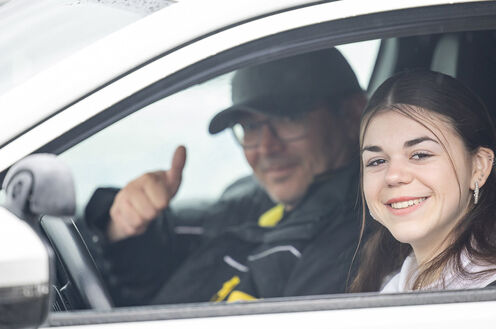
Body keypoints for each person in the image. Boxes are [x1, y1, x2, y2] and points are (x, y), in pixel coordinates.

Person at [85, 48, 367, 306]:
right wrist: (127, 228)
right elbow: (163, 276)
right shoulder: (250, 201)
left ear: (353, 115)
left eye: (289, 119)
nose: (266, 148)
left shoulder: (356, 240)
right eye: (250, 127)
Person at [350, 70, 496, 293]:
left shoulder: (486, 297)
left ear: (479, 167)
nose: (393, 176)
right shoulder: (386, 284)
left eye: (420, 155)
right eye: (377, 161)